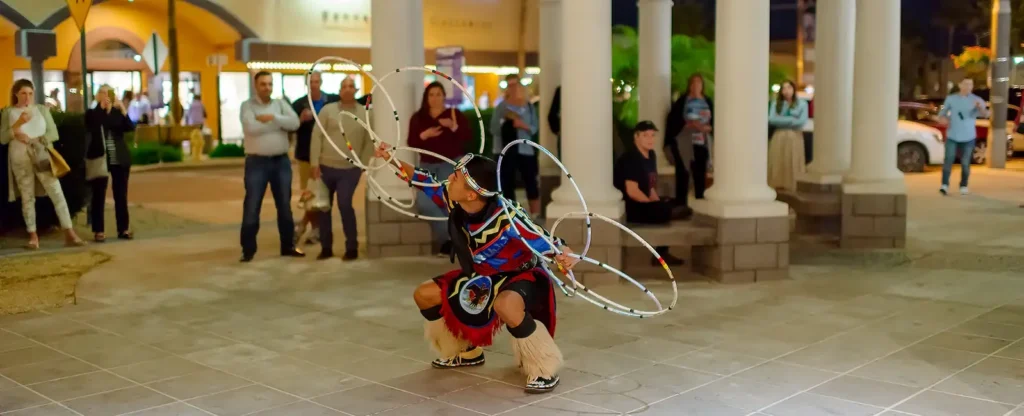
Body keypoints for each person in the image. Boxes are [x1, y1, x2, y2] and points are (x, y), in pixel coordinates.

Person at [371, 141, 577, 394]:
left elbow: (543, 239)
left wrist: (564, 254)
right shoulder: (455, 201)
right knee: (424, 295)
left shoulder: (507, 215)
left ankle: (544, 367)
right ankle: (465, 351)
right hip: (482, 276)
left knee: (506, 304)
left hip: (520, 275)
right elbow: (424, 181)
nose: (449, 180)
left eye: (455, 177)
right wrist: (391, 158)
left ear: (471, 193)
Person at [1, 79, 85, 249]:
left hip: (41, 157)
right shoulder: (9, 112)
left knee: (56, 192)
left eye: (30, 93)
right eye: (23, 93)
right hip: (20, 159)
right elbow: (3, 138)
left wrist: (40, 140)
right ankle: (33, 236)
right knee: (27, 197)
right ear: (16, 94)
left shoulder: (40, 110)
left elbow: (53, 133)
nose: (27, 97)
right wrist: (17, 128)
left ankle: (69, 233)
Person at [239, 71, 304, 262]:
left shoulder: (280, 104)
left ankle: (288, 246)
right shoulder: (247, 106)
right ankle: (248, 251)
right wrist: (278, 124)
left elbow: (295, 123)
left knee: (284, 206)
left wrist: (272, 118)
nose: (267, 87)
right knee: (252, 206)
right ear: (256, 85)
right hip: (256, 163)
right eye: (263, 84)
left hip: (281, 162)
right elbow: (251, 128)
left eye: (270, 84)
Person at [408, 81, 472, 256]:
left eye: (438, 94)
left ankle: (449, 244)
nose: (435, 98)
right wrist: (425, 135)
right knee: (424, 203)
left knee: (448, 202)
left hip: (450, 165)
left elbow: (467, 136)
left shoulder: (454, 114)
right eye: (431, 94)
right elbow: (411, 142)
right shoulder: (419, 118)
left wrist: (453, 126)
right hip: (427, 166)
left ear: (444, 96)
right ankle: (451, 238)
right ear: (426, 98)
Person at [309, 76, 370, 261]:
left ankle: (352, 248)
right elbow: (317, 135)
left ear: (356, 90)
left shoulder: (364, 113)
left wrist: (362, 165)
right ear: (339, 90)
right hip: (325, 167)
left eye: (351, 86)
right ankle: (326, 248)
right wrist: (314, 163)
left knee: (344, 204)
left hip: (349, 170)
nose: (348, 89)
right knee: (324, 208)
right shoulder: (328, 110)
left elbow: (369, 141)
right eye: (344, 86)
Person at [614, 121, 687, 265]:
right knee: (667, 210)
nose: (650, 139)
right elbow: (632, 191)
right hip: (632, 207)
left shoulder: (651, 155)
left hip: (645, 204)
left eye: (653, 135)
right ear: (636, 137)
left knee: (678, 205)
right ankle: (661, 254)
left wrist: (658, 202)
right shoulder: (631, 158)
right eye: (645, 135)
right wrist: (655, 206)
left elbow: (651, 187)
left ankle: (661, 254)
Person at [292, 72, 339, 245]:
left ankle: (306, 225)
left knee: (322, 193)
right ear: (306, 84)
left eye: (317, 82)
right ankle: (314, 228)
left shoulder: (332, 101)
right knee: (309, 193)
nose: (314, 85)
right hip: (306, 156)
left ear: (321, 82)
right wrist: (300, 119)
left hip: (328, 155)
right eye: (311, 82)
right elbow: (290, 127)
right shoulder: (298, 104)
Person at [86, 84, 136, 242]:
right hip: (100, 159)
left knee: (121, 195)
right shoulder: (92, 113)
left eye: (109, 93)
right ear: (97, 95)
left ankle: (123, 229)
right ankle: (98, 230)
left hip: (119, 159)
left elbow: (129, 127)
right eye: (102, 93)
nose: (106, 96)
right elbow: (94, 125)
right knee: (98, 196)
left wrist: (122, 109)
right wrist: (102, 109)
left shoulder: (117, 113)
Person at [490, 80, 541, 216]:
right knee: (507, 182)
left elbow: (534, 128)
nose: (514, 90)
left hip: (525, 149)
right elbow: (494, 128)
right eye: (511, 87)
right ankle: (511, 214)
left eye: (516, 87)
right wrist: (505, 122)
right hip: (506, 150)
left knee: (530, 181)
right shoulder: (501, 107)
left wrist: (522, 125)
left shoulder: (529, 107)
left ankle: (535, 215)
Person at [665, 74, 714, 206]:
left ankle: (700, 202)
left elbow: (714, 122)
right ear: (689, 85)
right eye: (693, 83)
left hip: (701, 142)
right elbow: (673, 121)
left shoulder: (707, 101)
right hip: (685, 142)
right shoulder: (682, 101)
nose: (696, 85)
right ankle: (681, 205)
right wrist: (689, 125)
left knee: (700, 173)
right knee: (683, 173)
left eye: (698, 83)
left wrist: (706, 128)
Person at [938, 77, 987, 196]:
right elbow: (942, 114)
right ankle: (944, 185)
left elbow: (985, 114)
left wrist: (979, 107)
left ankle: (963, 185)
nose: (968, 87)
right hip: (952, 135)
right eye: (965, 84)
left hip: (969, 136)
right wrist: (943, 119)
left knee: (965, 163)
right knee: (948, 160)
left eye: (970, 84)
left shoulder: (977, 100)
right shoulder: (951, 99)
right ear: (960, 85)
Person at [767, 80, 809, 192]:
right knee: (778, 162)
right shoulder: (776, 103)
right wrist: (791, 119)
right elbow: (772, 119)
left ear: (794, 89)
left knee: (793, 161)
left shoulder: (802, 104)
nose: (786, 91)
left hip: (794, 137)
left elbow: (801, 121)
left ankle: (793, 187)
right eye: (784, 88)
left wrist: (783, 120)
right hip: (779, 136)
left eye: (789, 88)